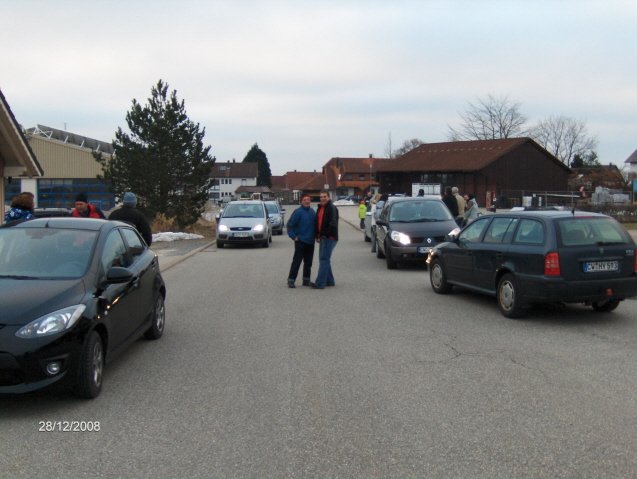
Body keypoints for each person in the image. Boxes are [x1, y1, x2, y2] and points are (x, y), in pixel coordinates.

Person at [286, 194, 316, 288]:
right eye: (304, 200)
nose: (307, 201)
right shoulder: (298, 212)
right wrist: (293, 236)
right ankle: (291, 280)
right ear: (301, 201)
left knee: (308, 263)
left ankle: (306, 280)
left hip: (310, 241)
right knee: (297, 262)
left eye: (308, 199)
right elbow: (289, 225)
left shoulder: (312, 212)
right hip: (300, 241)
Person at [311, 191, 339, 289]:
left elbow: (333, 223)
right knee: (325, 259)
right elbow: (318, 223)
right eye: (321, 197)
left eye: (324, 197)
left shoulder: (332, 208)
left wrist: (324, 235)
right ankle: (330, 281)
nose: (322, 198)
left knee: (324, 259)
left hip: (329, 237)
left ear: (329, 197)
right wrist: (317, 235)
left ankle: (320, 283)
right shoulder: (320, 208)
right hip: (323, 237)